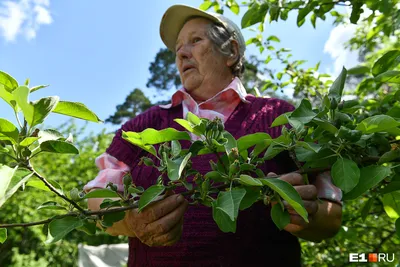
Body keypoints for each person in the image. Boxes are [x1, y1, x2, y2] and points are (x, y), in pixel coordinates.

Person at [85, 4, 343, 267]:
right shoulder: (142, 127)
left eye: (195, 41)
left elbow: (331, 218)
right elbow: (95, 196)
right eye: (178, 49)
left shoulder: (280, 117)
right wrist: (131, 221)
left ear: (231, 51)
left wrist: (306, 215)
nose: (182, 53)